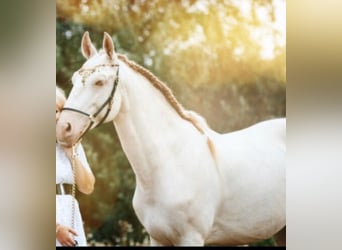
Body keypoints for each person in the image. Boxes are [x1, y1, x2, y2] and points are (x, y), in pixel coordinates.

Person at [56, 86, 95, 247]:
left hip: (69, 212)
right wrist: (56, 228)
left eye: (56, 110)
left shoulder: (73, 145)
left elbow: (87, 187)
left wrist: (70, 153)